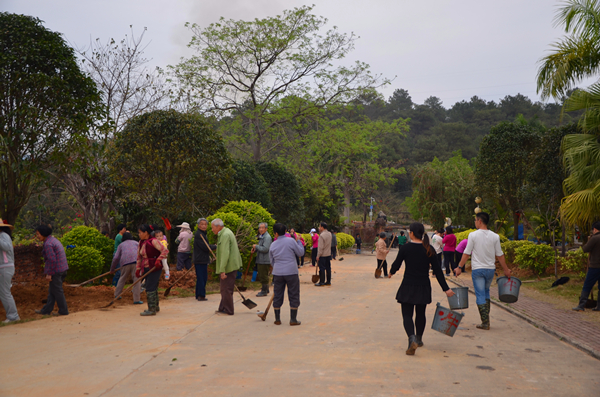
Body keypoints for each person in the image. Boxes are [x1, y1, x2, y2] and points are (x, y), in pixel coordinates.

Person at [388, 222, 454, 355]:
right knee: (420, 313)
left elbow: (396, 264)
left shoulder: (406, 248)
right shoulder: (429, 248)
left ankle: (411, 337)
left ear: (411, 233)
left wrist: (391, 272)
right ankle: (418, 339)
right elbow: (438, 271)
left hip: (407, 285)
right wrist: (446, 288)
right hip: (423, 285)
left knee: (407, 314)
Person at [455, 212, 511, 330]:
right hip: (490, 270)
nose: (475, 222)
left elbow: (466, 252)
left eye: (475, 220)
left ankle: (485, 322)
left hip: (478, 270)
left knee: (480, 294)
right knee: (486, 292)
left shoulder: (473, 235)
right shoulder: (495, 236)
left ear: (480, 221)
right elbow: (500, 255)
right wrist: (506, 270)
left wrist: (459, 267)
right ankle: (486, 320)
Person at [269, 223, 306, 326]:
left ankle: (277, 319)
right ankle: (293, 319)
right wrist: (298, 241)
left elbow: (271, 260)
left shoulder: (273, 245)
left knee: (278, 294)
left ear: (275, 233)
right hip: (291, 271)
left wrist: (277, 267)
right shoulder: (291, 241)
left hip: (278, 273)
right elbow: (300, 253)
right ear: (285, 231)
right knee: (293, 294)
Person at [34, 225, 69, 316]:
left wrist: (49, 273)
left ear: (44, 233)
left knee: (57, 291)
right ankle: (46, 310)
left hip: (56, 270)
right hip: (62, 268)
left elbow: (51, 260)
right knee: (52, 291)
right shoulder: (53, 240)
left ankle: (63, 311)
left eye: (38, 234)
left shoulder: (48, 244)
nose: (37, 236)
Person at [135, 224, 168, 316]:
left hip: (155, 267)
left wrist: (158, 259)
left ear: (146, 232)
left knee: (150, 287)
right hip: (146, 267)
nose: (139, 234)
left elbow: (165, 251)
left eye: (140, 233)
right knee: (152, 286)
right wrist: (138, 268)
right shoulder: (141, 242)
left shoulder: (153, 241)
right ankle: (155, 306)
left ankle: (152, 309)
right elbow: (139, 256)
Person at [212, 219, 243, 315]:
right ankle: (222, 308)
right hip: (231, 265)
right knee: (225, 288)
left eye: (213, 227)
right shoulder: (225, 232)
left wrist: (222, 270)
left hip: (229, 266)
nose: (212, 230)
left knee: (226, 289)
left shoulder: (225, 235)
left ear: (218, 226)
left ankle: (229, 310)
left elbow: (225, 254)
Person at [573, 221, 600, 311]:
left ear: (595, 229)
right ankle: (599, 306)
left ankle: (581, 306)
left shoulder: (595, 238)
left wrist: (589, 240)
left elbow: (585, 249)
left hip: (595, 266)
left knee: (587, 285)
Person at [111, 232, 143, 305]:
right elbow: (142, 253)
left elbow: (116, 258)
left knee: (122, 278)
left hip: (125, 263)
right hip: (136, 262)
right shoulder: (136, 243)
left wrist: (112, 269)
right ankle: (137, 299)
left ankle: (117, 295)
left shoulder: (121, 245)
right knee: (137, 280)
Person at [0, 221, 19, 323]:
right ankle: (12, 315)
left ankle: (13, 316)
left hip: (5, 267)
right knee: (4, 292)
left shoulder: (3, 235)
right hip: (4, 267)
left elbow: (6, 247)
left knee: (5, 293)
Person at [193, 218, 216, 302]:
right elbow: (205, 247)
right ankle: (201, 295)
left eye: (205, 224)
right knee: (202, 278)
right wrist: (214, 246)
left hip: (202, 259)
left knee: (202, 278)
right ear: (198, 225)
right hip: (200, 259)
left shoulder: (203, 234)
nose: (204, 226)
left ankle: (198, 294)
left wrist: (213, 246)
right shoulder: (199, 234)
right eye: (202, 224)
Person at [252, 222, 272, 297]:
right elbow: (261, 247)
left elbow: (265, 249)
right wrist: (255, 249)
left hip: (264, 259)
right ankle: (266, 289)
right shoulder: (262, 236)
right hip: (261, 259)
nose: (260, 229)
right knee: (262, 274)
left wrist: (256, 247)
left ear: (266, 229)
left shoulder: (267, 237)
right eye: (260, 228)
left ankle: (264, 291)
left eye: (262, 228)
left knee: (263, 275)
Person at [314, 222, 332, 287]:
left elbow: (320, 247)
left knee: (322, 268)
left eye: (319, 226)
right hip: (328, 254)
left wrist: (318, 255)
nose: (319, 228)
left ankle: (322, 282)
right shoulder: (329, 234)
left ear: (322, 227)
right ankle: (328, 281)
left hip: (323, 255)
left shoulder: (321, 235)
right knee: (328, 268)